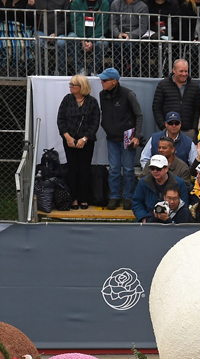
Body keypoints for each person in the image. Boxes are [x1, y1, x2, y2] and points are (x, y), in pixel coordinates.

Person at [98, 67, 143, 211]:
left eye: (105, 80)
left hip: (127, 137)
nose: (102, 82)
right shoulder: (102, 95)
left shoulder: (128, 94)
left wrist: (136, 137)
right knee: (114, 169)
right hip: (111, 137)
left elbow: (139, 115)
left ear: (114, 81)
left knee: (129, 169)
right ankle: (114, 196)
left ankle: (128, 197)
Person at [57, 74, 100, 210]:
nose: (70, 87)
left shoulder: (92, 102)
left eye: (73, 85)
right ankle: (73, 198)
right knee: (72, 169)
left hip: (86, 141)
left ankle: (84, 198)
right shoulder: (67, 100)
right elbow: (61, 120)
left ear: (81, 87)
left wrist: (85, 139)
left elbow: (95, 122)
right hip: (69, 141)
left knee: (84, 170)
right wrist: (67, 137)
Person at [133, 154, 188, 222]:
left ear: (166, 169)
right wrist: (143, 218)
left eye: (158, 169)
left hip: (173, 220)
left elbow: (183, 204)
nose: (155, 171)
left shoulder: (179, 183)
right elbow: (137, 202)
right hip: (148, 218)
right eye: (152, 168)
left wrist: (169, 220)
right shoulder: (143, 182)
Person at [152, 59, 200, 132]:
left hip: (188, 131)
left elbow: (197, 110)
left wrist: (194, 129)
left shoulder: (194, 87)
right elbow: (156, 107)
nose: (184, 74)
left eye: (186, 71)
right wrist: (163, 127)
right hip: (168, 131)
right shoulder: (163, 85)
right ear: (174, 70)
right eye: (181, 71)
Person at [60, 0, 107, 75]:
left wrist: (91, 40)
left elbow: (102, 25)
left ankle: (93, 70)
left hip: (96, 35)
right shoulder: (76, 2)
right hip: (79, 34)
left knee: (103, 42)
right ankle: (80, 69)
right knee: (71, 37)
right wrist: (82, 39)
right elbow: (75, 22)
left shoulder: (104, 3)